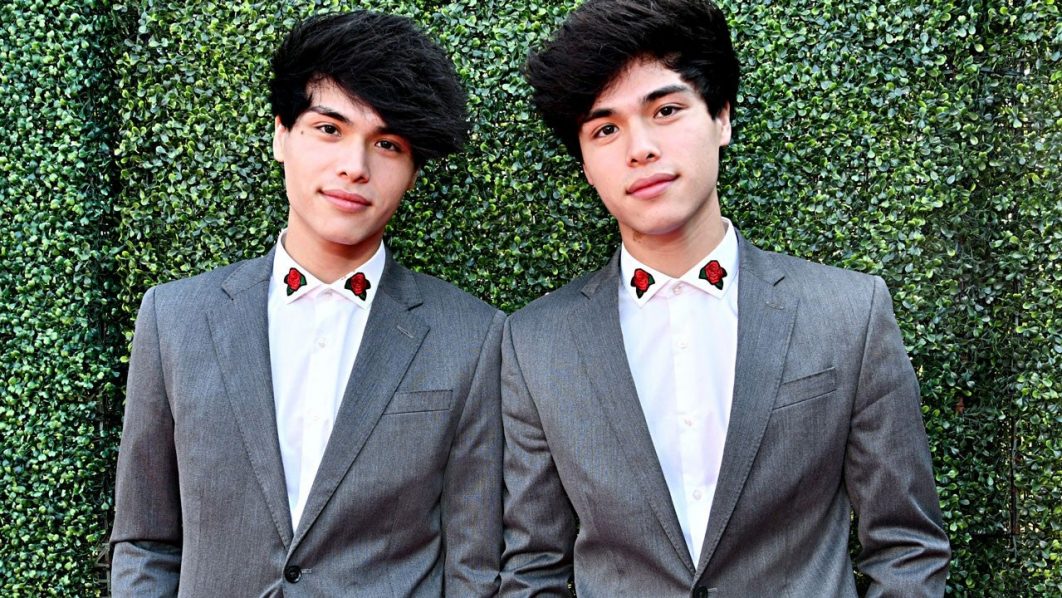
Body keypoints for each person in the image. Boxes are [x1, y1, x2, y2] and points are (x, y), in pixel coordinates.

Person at [500, 0, 950, 595]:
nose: (640, 148)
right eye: (605, 129)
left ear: (722, 120)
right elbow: (533, 567)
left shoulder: (847, 312)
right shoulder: (536, 342)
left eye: (666, 110)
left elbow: (907, 546)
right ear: (585, 163)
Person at [110, 11, 503, 596]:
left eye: (387, 144)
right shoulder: (176, 319)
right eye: (328, 129)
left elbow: (474, 568)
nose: (354, 167)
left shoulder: (472, 335)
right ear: (281, 135)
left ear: (412, 171)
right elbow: (146, 541)